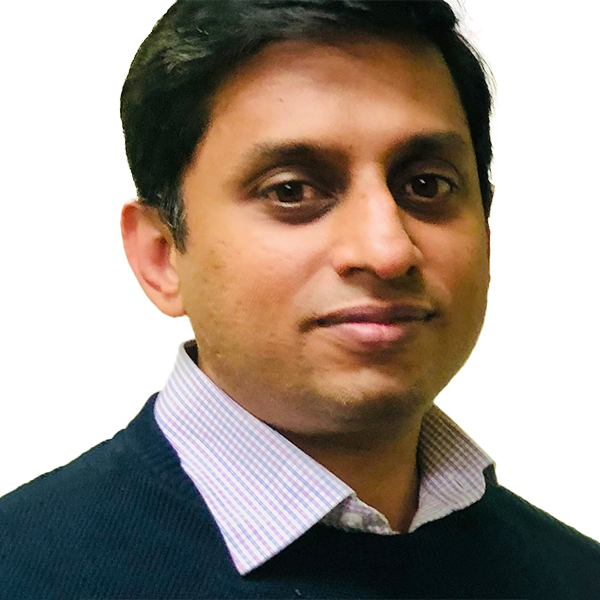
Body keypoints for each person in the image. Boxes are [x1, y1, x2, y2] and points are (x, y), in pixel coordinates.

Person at [1, 1, 599, 598]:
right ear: (162, 256)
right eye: (291, 190)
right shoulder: (23, 571)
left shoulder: (573, 576)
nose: (387, 250)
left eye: (426, 185)